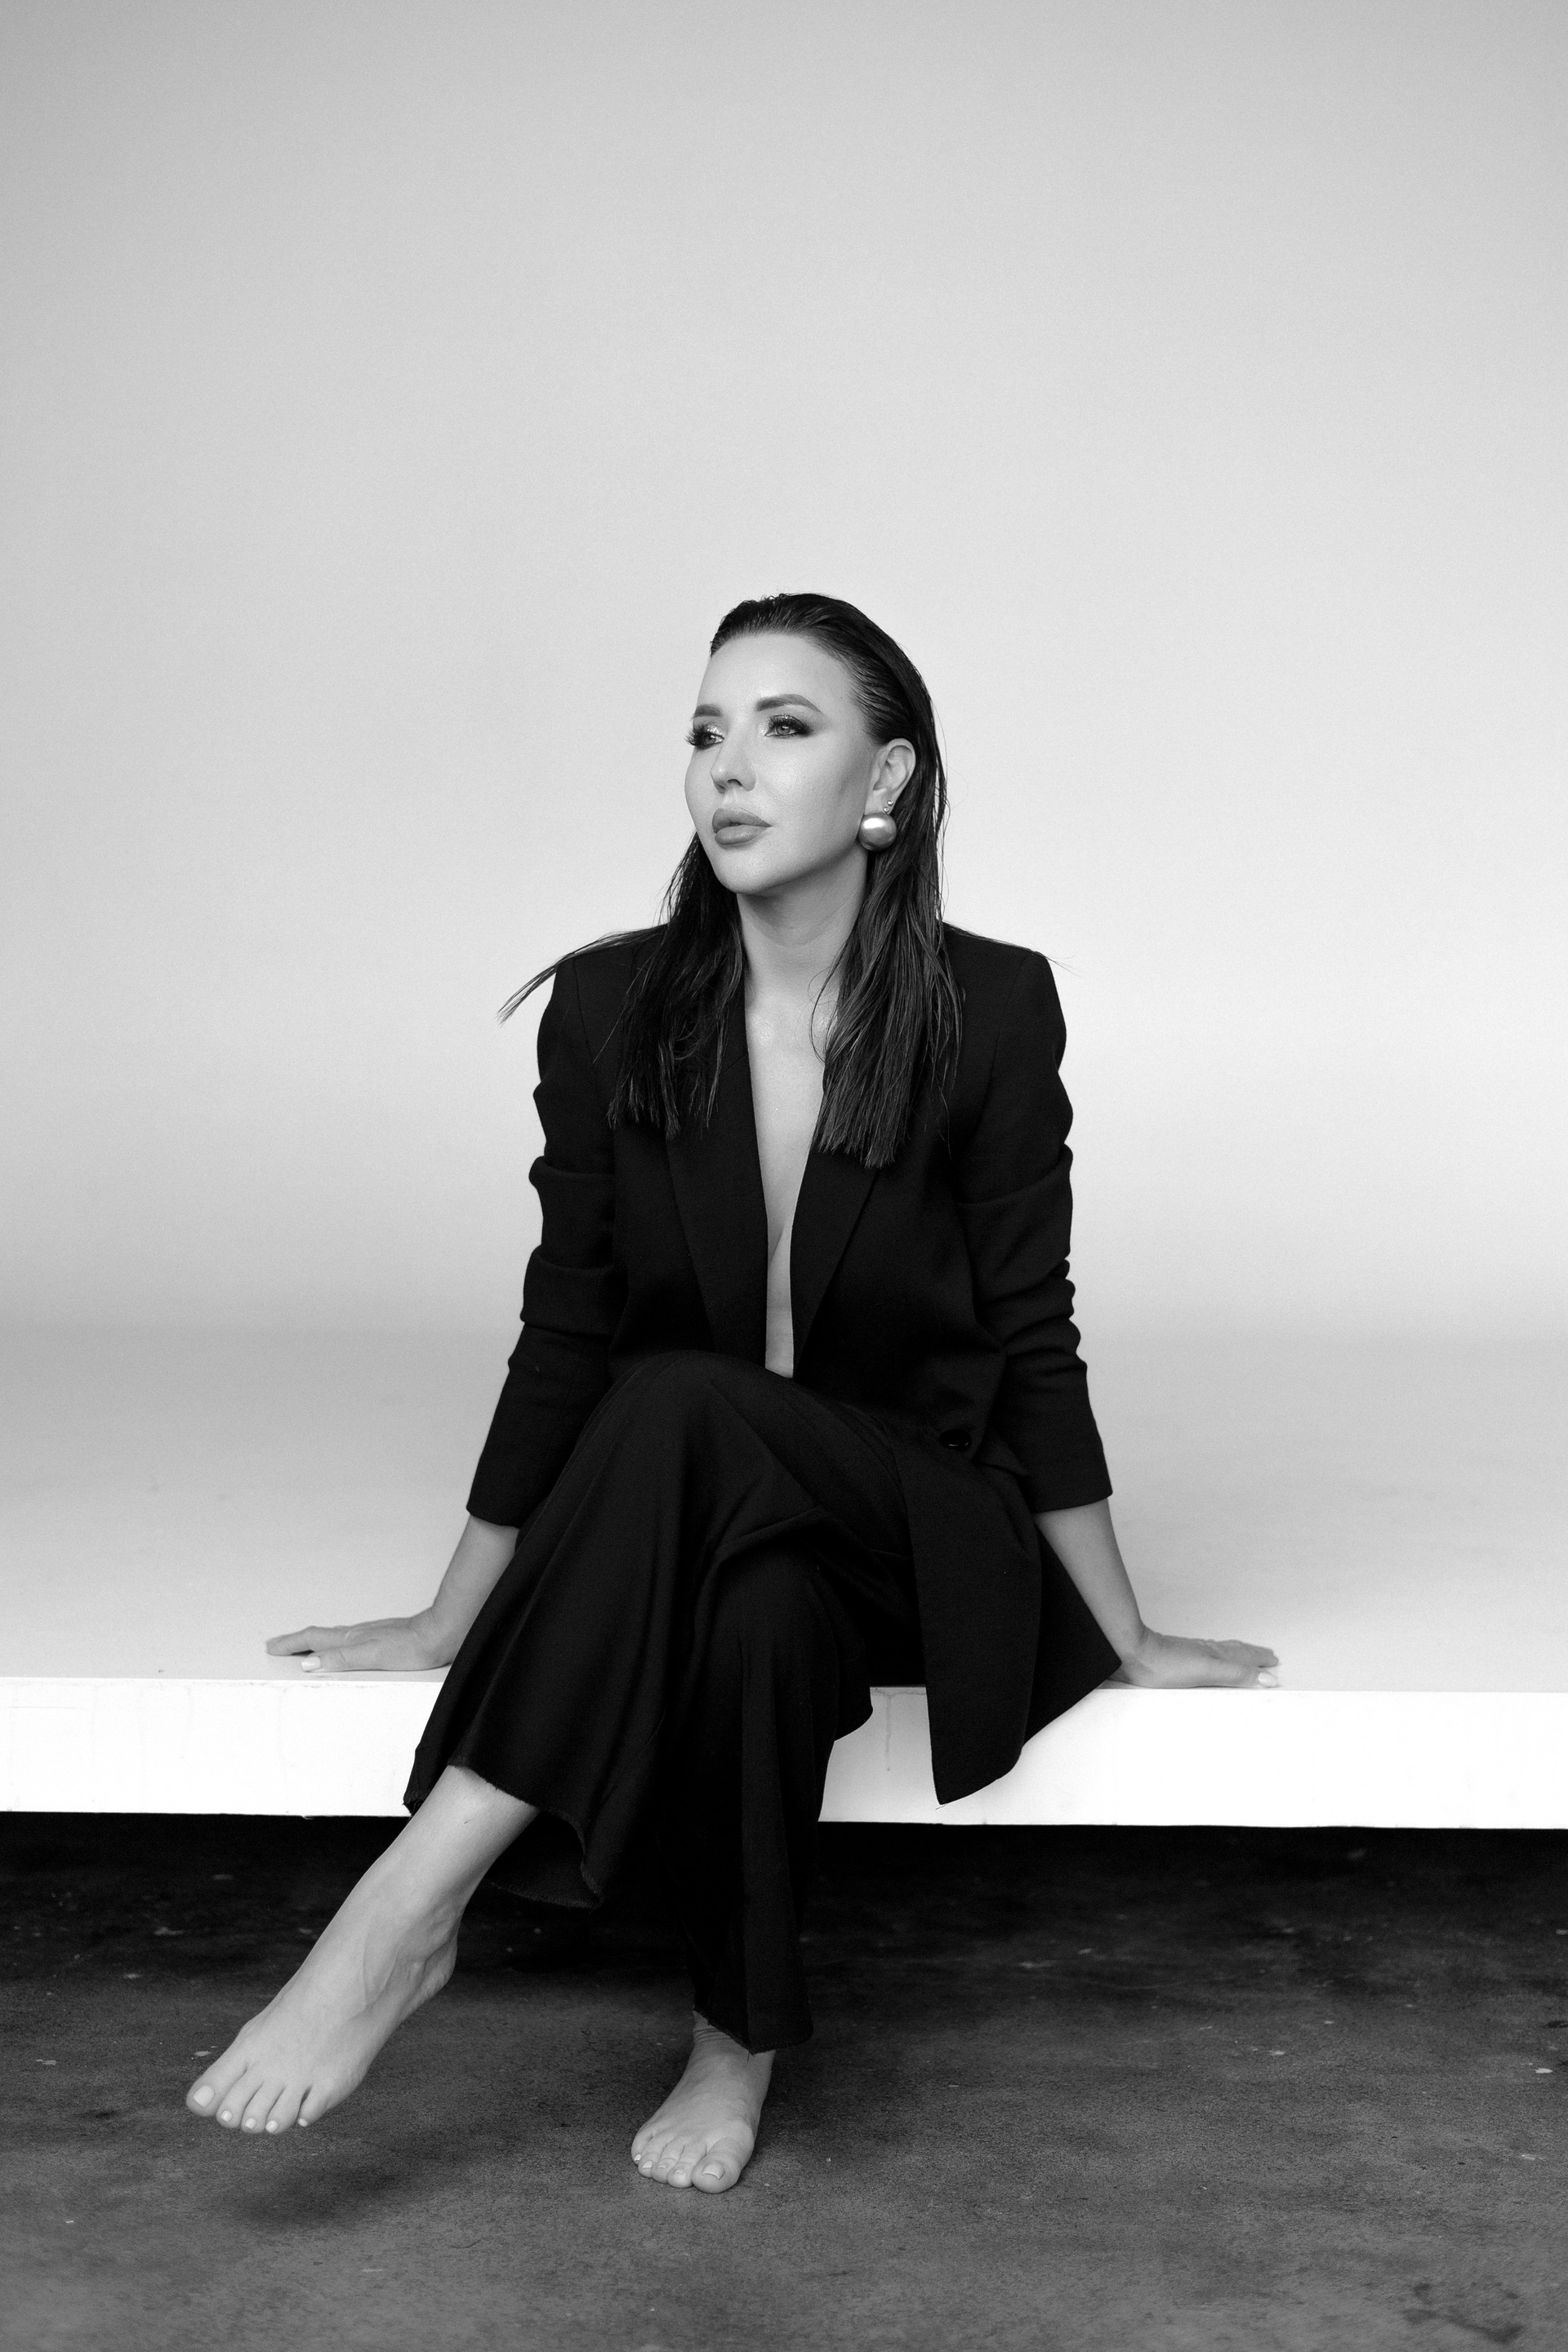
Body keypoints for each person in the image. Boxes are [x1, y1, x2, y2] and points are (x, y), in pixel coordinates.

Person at [185, 591, 1277, 2190]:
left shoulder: (990, 1009)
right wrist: (446, 1618)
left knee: (682, 1401)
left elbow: (1033, 1337)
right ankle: (733, 2037)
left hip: (913, 1522)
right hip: (712, 1546)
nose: (729, 768)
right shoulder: (612, 1011)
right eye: (707, 731)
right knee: (748, 1597)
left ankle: (403, 1912)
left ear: (887, 780)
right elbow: (566, 1332)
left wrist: (1127, 1631)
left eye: (786, 726)